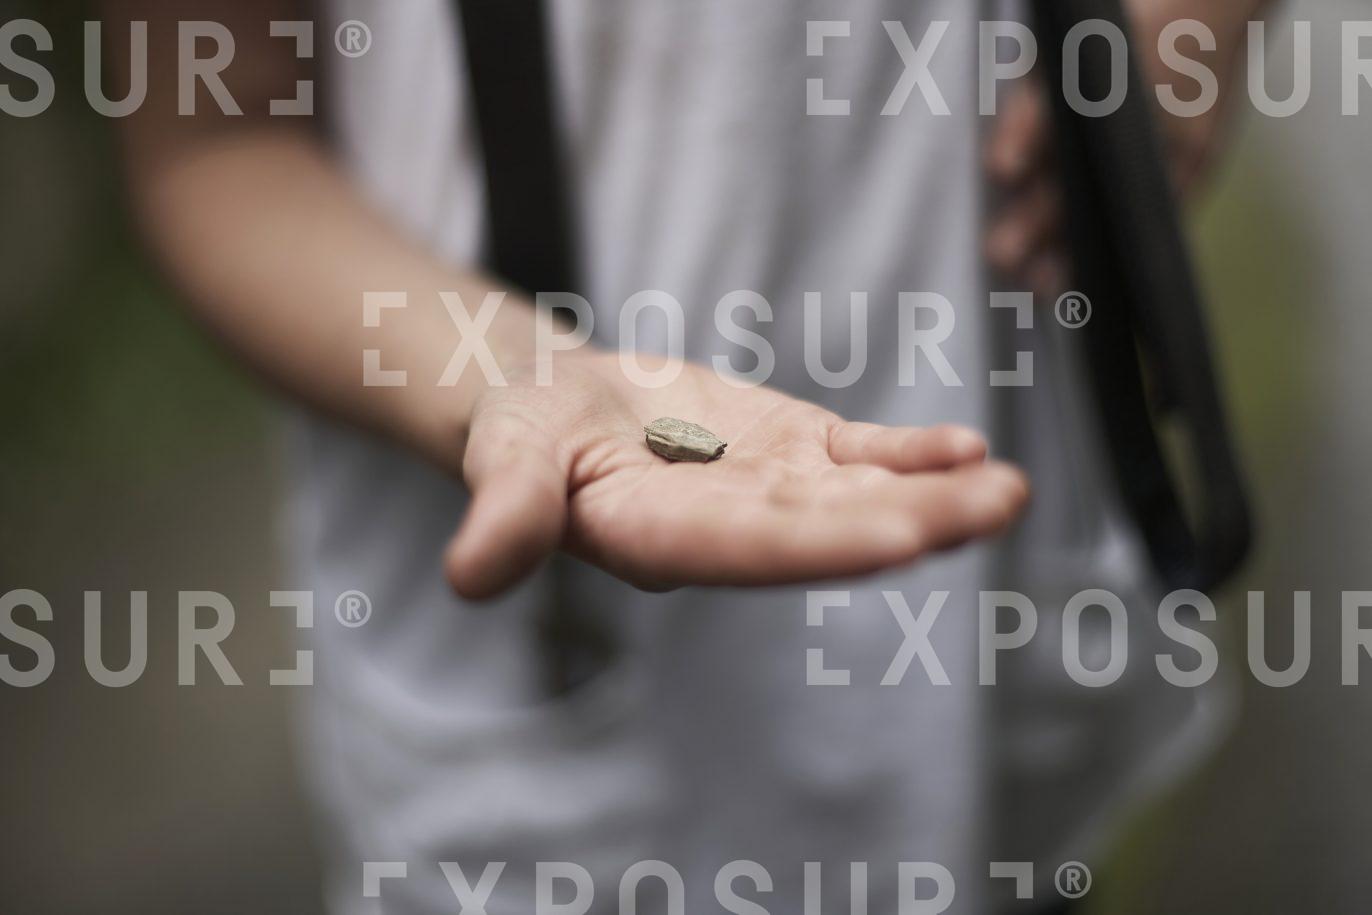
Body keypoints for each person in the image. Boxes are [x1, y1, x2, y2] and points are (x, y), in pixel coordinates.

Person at [106, 0, 1266, 911]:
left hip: (998, 644)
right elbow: (213, 135)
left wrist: (1193, 21)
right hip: (539, 782)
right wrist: (503, 376)